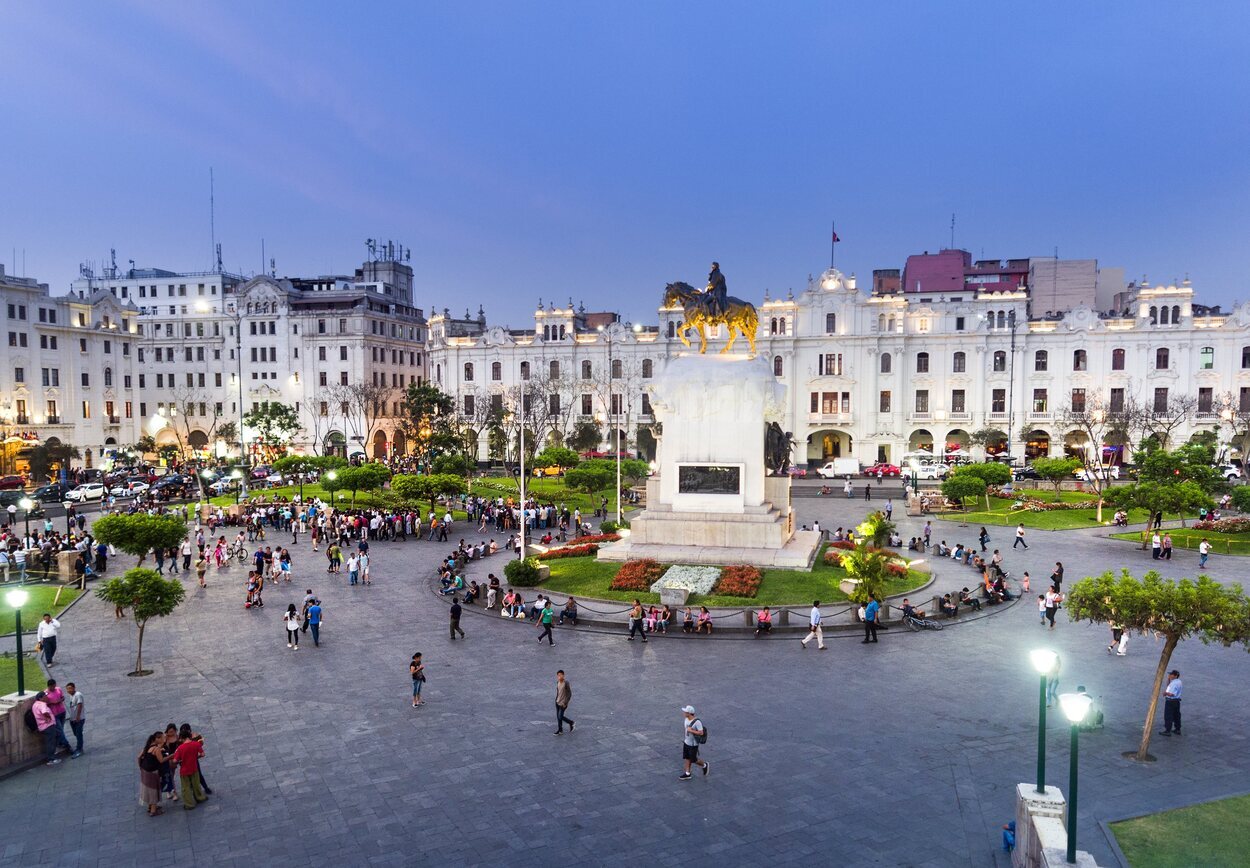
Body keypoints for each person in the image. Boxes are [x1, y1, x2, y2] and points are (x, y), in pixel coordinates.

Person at [172, 731, 207, 810]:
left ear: (182, 738)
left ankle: (189, 804)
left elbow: (174, 761)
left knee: (186, 788)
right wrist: (195, 758)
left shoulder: (180, 748)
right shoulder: (196, 744)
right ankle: (200, 798)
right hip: (194, 768)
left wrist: (180, 760)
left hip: (184, 771)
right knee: (196, 784)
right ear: (190, 736)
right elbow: (202, 754)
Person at [679, 705, 709, 781]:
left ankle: (704, 765)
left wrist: (691, 730)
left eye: (685, 712)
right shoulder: (686, 719)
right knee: (687, 757)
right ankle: (687, 773)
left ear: (689, 713)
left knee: (693, 759)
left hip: (693, 744)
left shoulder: (697, 722)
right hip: (686, 742)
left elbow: (701, 733)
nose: (684, 713)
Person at [138, 733, 165, 816]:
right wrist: (171, 756)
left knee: (148, 790)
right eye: (162, 738)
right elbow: (161, 760)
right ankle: (153, 811)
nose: (163, 739)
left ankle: (150, 807)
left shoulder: (147, 747)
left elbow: (138, 757)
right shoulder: (156, 749)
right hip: (152, 773)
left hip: (145, 772)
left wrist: (140, 767)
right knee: (153, 790)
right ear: (157, 739)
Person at [64, 682, 84, 757]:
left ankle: (79, 749)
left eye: (70, 688)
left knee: (78, 734)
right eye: (67, 689)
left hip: (79, 718)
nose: (69, 690)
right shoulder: (71, 696)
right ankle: (79, 747)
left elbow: (80, 705)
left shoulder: (78, 695)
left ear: (74, 688)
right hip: (73, 719)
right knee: (76, 733)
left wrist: (78, 716)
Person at [1161, 670, 1182, 736]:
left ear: (1175, 676)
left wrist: (1165, 693)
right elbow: (1168, 686)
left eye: (1171, 674)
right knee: (1176, 715)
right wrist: (1168, 679)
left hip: (1170, 701)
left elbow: (1172, 694)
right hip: (1177, 701)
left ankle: (1168, 730)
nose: (1170, 675)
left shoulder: (1174, 683)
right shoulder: (1178, 681)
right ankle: (1177, 729)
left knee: (1168, 716)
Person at [554, 670, 575, 735]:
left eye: (560, 675)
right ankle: (560, 730)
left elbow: (569, 694)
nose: (559, 676)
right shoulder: (557, 682)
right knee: (558, 717)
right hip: (557, 702)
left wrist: (565, 703)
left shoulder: (566, 683)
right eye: (558, 675)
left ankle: (571, 723)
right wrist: (556, 700)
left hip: (563, 703)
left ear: (563, 675)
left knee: (560, 716)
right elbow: (558, 692)